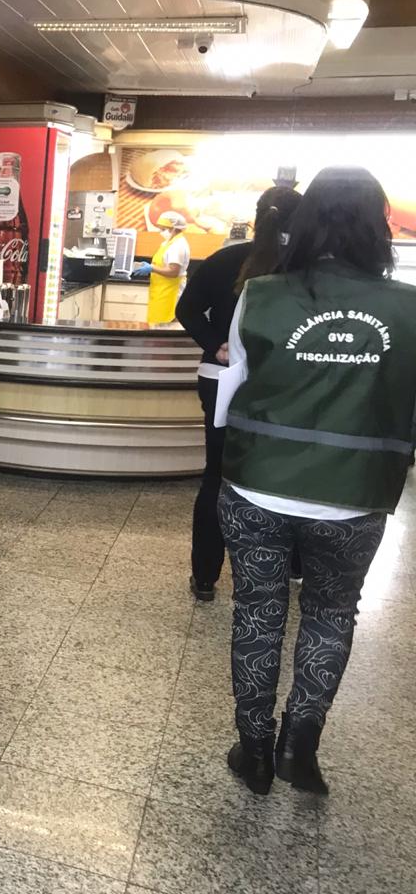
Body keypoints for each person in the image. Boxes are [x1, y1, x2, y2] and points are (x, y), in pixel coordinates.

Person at [217, 166, 416, 796]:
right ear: (379, 226)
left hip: (257, 484)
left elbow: (236, 380)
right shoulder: (409, 307)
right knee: (331, 612)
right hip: (355, 494)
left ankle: (253, 751)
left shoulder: (261, 295)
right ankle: (298, 750)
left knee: (258, 611)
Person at [175, 187, 302, 602]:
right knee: (284, 476)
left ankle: (205, 576)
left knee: (216, 474)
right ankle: (289, 567)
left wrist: (216, 344)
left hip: (220, 380)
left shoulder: (226, 259)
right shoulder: (302, 267)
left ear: (257, 215)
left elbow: (186, 309)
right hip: (283, 385)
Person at [134, 211, 190, 325]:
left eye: (163, 229)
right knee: (157, 325)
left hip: (170, 293)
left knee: (166, 326)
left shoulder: (178, 246)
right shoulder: (169, 243)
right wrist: (150, 267)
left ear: (174, 229)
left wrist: (152, 268)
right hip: (162, 290)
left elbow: (173, 271)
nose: (161, 232)